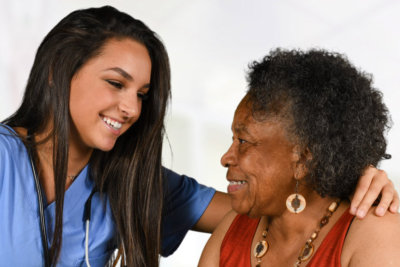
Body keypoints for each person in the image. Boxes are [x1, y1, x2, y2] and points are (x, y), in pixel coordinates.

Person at [0, 6, 397, 267]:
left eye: (141, 94)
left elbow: (275, 208)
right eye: (115, 83)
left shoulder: (134, 181)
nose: (132, 109)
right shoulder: (5, 161)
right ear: (56, 72)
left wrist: (347, 174)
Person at [199, 49, 400, 267]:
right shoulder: (231, 229)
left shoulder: (375, 234)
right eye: (233, 139)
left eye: (244, 141)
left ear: (303, 159)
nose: (226, 158)